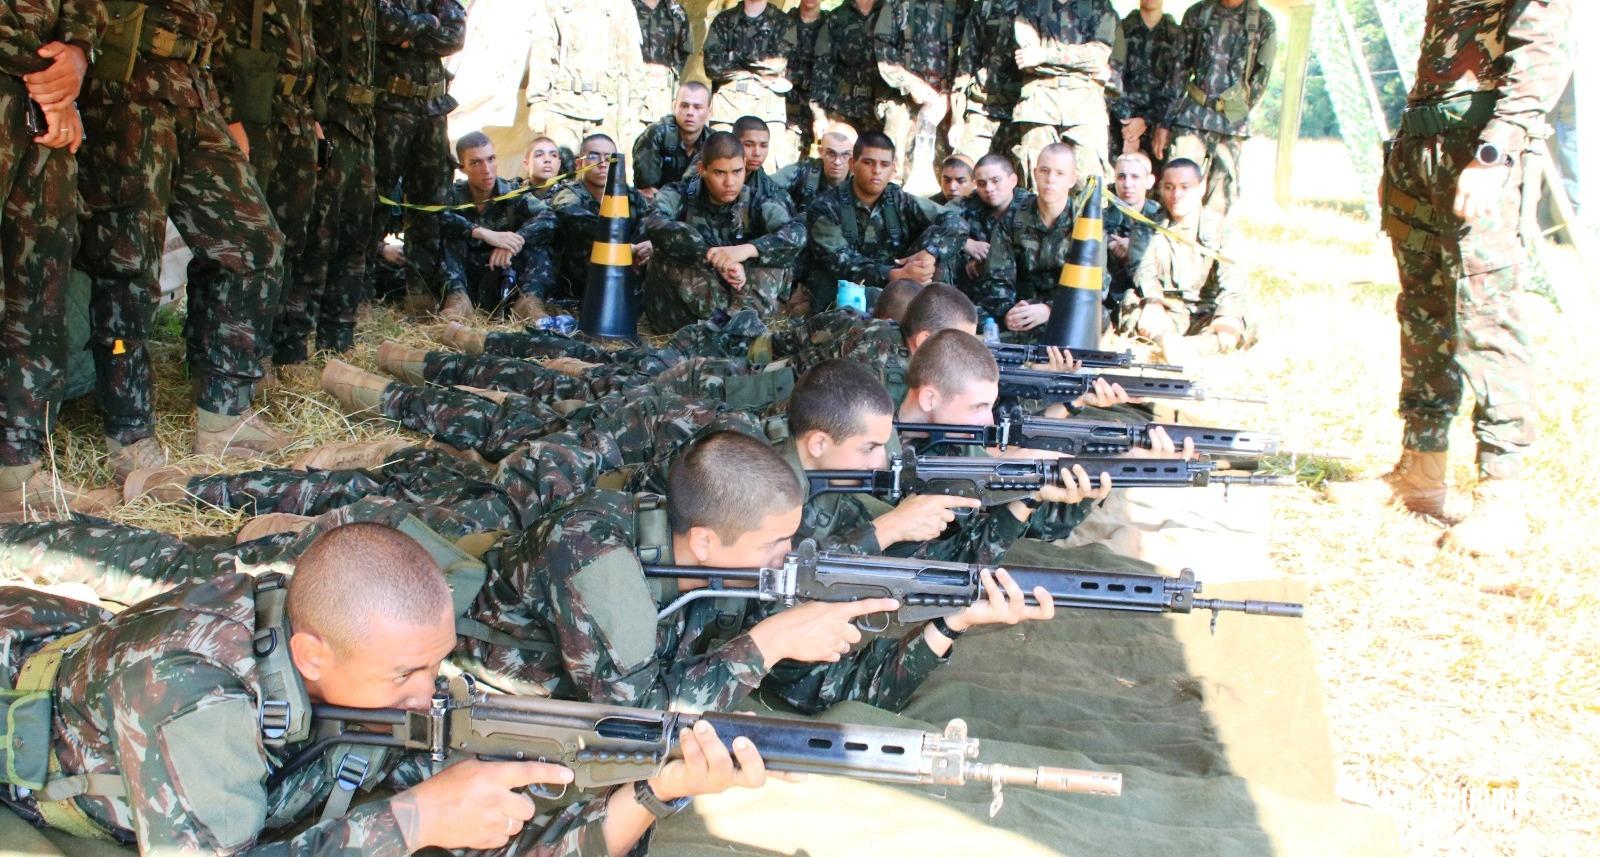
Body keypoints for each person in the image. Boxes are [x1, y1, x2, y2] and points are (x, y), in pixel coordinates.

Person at [0, 522, 768, 854]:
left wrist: (650, 792)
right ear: (309, 654)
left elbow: (498, 836)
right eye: (407, 674)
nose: (429, 692)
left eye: (434, 664)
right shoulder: (188, 693)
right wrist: (410, 819)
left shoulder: (374, 675)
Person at [1334, 0, 1570, 556]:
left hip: (1478, 147)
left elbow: (1543, 51)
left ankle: (1503, 496)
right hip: (1423, 144)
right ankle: (1421, 472)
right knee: (1422, 312)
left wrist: (1495, 152)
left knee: (1486, 317)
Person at [75, 0, 290, 475]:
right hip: (123, 91)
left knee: (255, 243)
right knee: (127, 267)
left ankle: (223, 418)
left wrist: (227, 109)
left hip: (196, 92)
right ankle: (128, 433)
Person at [0, 0, 116, 515]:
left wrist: (75, 57)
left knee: (40, 291)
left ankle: (17, 478)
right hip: (27, 81)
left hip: (37, 102)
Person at [208, 0, 315, 373]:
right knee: (244, 245)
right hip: (253, 116)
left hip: (295, 115)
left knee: (291, 241)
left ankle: (265, 350)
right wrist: (229, 115)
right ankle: (224, 360)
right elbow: (213, 45)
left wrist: (310, 111)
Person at [275, 0, 379, 360]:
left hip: (361, 124)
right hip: (324, 119)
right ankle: (291, 347)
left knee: (356, 235)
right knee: (315, 238)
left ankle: (339, 341)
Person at [643, 132, 806, 332]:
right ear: (702, 169)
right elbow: (653, 221)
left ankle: (740, 325)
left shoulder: (757, 201)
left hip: (741, 296)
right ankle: (724, 329)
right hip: (684, 313)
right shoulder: (680, 194)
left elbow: (796, 233)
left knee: (778, 254)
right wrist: (713, 257)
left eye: (737, 172)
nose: (730, 182)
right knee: (665, 251)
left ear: (745, 164)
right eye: (720, 173)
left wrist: (748, 250)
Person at [372, 0, 468, 316]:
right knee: (375, 200)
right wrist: (429, 23)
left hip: (433, 110)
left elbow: (454, 37)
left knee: (430, 205)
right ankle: (360, 293)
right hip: (389, 108)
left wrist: (410, 31)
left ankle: (420, 297)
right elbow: (383, 24)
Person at [806, 131, 966, 310]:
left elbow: (955, 222)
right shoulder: (825, 207)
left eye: (884, 164)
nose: (876, 171)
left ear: (893, 169)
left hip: (898, 285)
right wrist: (893, 274)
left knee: (941, 244)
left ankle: (941, 314)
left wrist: (931, 252)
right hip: (847, 293)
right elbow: (841, 263)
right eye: (868, 163)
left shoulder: (898, 199)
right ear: (852, 164)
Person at [1153, 0, 1276, 221]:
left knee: (1220, 204)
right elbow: (1178, 72)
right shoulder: (1199, 14)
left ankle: (1209, 254)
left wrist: (1236, 111)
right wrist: (1164, 123)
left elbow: (1260, 79)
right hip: (1192, 118)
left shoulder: (1262, 21)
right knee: (1176, 195)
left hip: (1231, 123)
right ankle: (1169, 251)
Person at [1120, 157, 1248, 358]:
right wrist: (1153, 303)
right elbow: (1143, 270)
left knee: (1238, 324)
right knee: (1135, 312)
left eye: (1184, 187)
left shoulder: (1222, 229)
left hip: (1206, 309)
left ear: (1201, 188)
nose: (1176, 195)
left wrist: (1227, 317)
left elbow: (1233, 279)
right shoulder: (1147, 227)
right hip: (1166, 308)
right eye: (1169, 187)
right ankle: (1169, 342)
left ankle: (1190, 347)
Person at [439, 132, 558, 319]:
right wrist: (482, 233)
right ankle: (457, 303)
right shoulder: (453, 195)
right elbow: (435, 218)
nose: (486, 169)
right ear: (462, 168)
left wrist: (514, 242)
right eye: (476, 163)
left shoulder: (511, 192)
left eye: (491, 159)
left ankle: (529, 304)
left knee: (538, 248)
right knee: (448, 240)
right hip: (466, 278)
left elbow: (549, 218)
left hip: (503, 273)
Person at [981, 143, 1093, 334]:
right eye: (1044, 170)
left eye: (1060, 173)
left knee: (1096, 317)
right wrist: (1008, 312)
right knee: (973, 317)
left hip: (1066, 308)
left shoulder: (1086, 223)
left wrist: (1050, 309)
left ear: (1073, 179)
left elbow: (1095, 287)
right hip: (1022, 306)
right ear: (1035, 173)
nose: (1050, 179)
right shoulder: (1013, 218)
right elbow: (996, 278)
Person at [1008, 0, 1118, 186]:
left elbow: (1098, 56)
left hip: (1085, 110)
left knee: (1089, 189)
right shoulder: (1028, 5)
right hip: (1039, 107)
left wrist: (1044, 56)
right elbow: (1027, 58)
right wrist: (1080, 65)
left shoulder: (1099, 5)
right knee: (1038, 186)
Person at [525, 0, 646, 156]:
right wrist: (537, 103)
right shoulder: (554, 3)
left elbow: (632, 59)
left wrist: (634, 106)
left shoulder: (620, 5)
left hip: (605, 109)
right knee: (561, 172)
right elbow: (542, 53)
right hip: (562, 108)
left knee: (602, 174)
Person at [549, 134, 653, 303]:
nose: (603, 163)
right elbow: (576, 218)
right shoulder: (568, 194)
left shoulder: (630, 195)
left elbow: (651, 221)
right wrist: (625, 249)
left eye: (609, 157)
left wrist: (646, 246)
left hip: (626, 278)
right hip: (577, 285)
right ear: (579, 163)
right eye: (593, 156)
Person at [872, 0, 961, 192]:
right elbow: (883, 53)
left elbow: (968, 57)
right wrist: (911, 84)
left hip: (943, 104)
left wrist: (949, 95)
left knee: (942, 179)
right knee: (893, 172)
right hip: (903, 101)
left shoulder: (958, 6)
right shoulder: (896, 4)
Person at [702, 0, 798, 169]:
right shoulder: (724, 20)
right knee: (721, 166)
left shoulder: (784, 22)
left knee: (767, 176)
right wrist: (756, 71)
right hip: (727, 110)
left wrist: (734, 57)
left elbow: (776, 63)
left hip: (767, 112)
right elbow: (712, 66)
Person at [949, 0, 1022, 163]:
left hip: (1020, 114)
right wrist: (957, 118)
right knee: (965, 170)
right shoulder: (984, 6)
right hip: (981, 109)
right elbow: (966, 64)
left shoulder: (1037, 7)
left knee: (1019, 181)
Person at [956, 154, 1034, 297]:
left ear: (1013, 180)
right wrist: (965, 243)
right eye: (981, 183)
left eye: (995, 181)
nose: (988, 188)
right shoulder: (970, 204)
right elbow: (937, 220)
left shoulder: (1032, 209)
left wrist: (988, 263)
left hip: (1023, 295)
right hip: (977, 294)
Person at [811, 0, 885, 135]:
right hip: (842, 109)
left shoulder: (892, 12)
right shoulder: (837, 17)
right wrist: (819, 113)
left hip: (880, 112)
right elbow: (822, 67)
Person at [633, 82, 711, 199]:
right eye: (684, 106)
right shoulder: (656, 135)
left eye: (697, 107)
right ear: (674, 106)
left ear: (709, 111)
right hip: (656, 207)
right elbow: (647, 191)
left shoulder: (713, 142)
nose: (690, 112)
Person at [1105, 150, 1160, 315]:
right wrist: (1108, 242)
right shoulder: (1102, 217)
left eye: (1135, 177)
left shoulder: (1161, 218)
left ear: (1149, 181)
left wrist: (1135, 247)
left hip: (1154, 296)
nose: (1127, 184)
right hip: (1110, 298)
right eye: (1121, 177)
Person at [633, 0, 691, 133]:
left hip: (661, 93)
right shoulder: (626, 7)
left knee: (659, 137)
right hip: (632, 89)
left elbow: (683, 51)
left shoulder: (676, 12)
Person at [785, 0, 828, 159]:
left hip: (819, 115)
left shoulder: (831, 25)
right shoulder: (783, 22)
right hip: (786, 112)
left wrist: (821, 114)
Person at [775, 127, 854, 213]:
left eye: (845, 154)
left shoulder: (861, 181)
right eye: (831, 153)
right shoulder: (802, 172)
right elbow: (766, 186)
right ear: (821, 152)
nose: (837, 162)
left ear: (854, 156)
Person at [733, 114, 786, 201]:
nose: (757, 153)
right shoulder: (709, 176)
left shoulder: (769, 189)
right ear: (733, 143)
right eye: (749, 145)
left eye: (763, 146)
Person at [521, 136, 564, 200]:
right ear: (526, 164)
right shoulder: (514, 194)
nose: (547, 159)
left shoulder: (570, 195)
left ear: (559, 164)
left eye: (553, 155)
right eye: (539, 155)